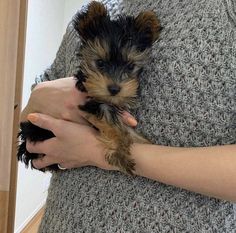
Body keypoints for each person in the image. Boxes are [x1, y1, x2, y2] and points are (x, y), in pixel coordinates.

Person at [21, 0, 236, 232]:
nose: (114, 81)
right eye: (101, 64)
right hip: (60, 222)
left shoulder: (227, 12)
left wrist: (100, 152)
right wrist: (39, 96)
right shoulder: (95, 14)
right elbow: (27, 116)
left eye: (130, 68)